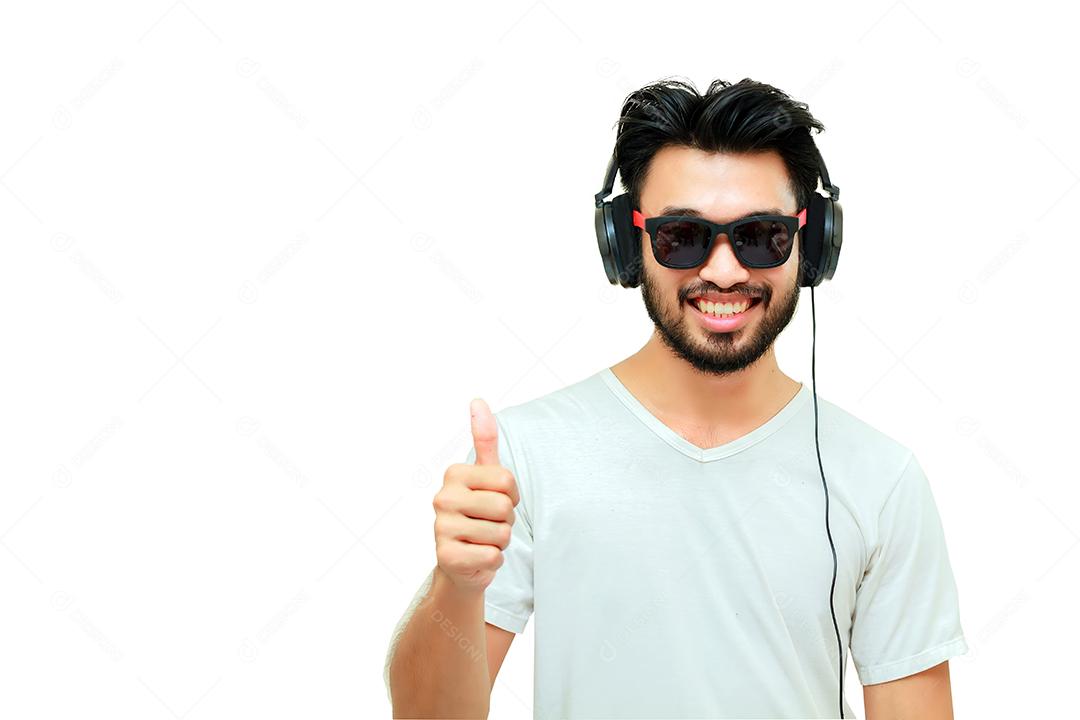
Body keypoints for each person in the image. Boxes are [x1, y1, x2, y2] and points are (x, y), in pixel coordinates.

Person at [384, 77, 967, 719]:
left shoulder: (881, 478)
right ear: (627, 243)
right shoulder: (525, 456)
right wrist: (456, 588)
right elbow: (426, 716)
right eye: (681, 236)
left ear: (813, 238)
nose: (722, 271)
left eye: (761, 236)